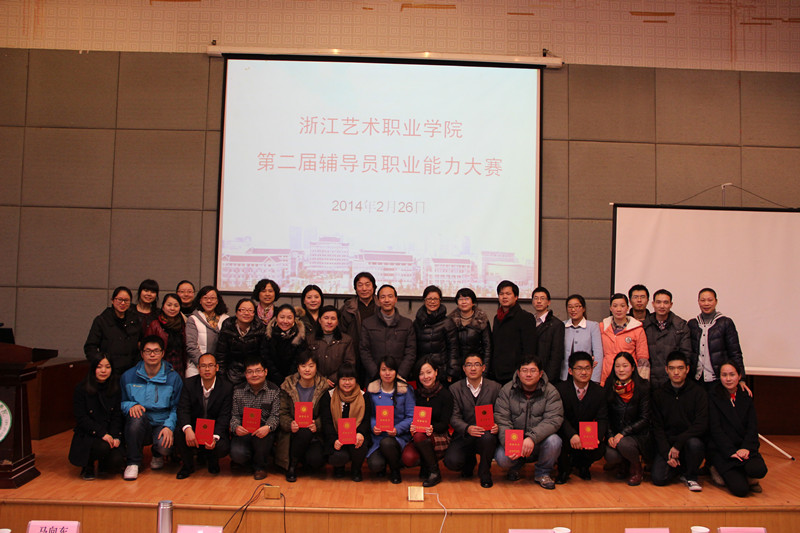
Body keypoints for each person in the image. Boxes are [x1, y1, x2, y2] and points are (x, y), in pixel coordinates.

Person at [495, 355, 563, 490]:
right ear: (518, 373)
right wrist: (511, 444)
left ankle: (543, 473)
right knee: (502, 458)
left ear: (540, 374)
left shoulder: (551, 392)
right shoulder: (507, 390)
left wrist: (532, 438)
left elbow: (554, 419)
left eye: (533, 370)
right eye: (524, 370)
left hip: (538, 441)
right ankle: (515, 467)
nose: (528, 374)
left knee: (554, 441)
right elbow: (502, 419)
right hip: (515, 441)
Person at [120, 335, 184, 481]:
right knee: (135, 419)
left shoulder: (173, 377)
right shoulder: (128, 376)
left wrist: (169, 426)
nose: (152, 355)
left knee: (164, 446)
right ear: (142, 353)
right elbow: (121, 402)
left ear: (162, 353)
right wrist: (131, 405)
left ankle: (157, 453)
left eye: (156, 351)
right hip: (140, 421)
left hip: (162, 421)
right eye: (148, 351)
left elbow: (177, 407)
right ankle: (133, 462)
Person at [708, 360, 767, 497]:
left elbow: (752, 427)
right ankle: (717, 470)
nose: (728, 379)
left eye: (732, 375)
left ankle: (745, 475)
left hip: (743, 448)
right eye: (724, 375)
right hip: (724, 451)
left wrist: (746, 448)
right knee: (740, 490)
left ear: (739, 376)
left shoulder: (746, 395)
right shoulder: (713, 396)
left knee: (758, 470)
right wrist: (731, 451)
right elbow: (715, 430)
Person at [651, 351, 708, 492]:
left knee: (695, 444)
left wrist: (678, 444)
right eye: (672, 368)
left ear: (687, 369)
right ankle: (678, 468)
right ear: (666, 370)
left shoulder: (698, 393)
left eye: (680, 368)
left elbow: (701, 425)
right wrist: (667, 452)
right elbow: (657, 428)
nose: (676, 372)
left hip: (688, 442)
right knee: (658, 479)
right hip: (669, 445)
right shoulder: (659, 394)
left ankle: (691, 476)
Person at [443, 353, 501, 488]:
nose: (473, 368)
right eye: (469, 365)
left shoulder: (495, 387)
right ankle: (469, 462)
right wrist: (467, 428)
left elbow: (500, 412)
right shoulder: (455, 388)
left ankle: (485, 472)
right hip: (464, 434)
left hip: (486, 434)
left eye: (476, 365)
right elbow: (453, 417)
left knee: (488, 438)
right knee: (452, 461)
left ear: (483, 368)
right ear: (464, 369)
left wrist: (497, 424)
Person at [175, 353, 233, 479]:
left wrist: (215, 437)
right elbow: (183, 409)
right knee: (179, 431)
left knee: (222, 446)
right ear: (198, 368)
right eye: (203, 366)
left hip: (214, 429)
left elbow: (224, 416)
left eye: (210, 365)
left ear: (217, 367)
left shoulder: (226, 387)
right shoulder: (189, 384)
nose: (207, 369)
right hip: (194, 427)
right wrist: (188, 428)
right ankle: (187, 466)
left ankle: (212, 460)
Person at [68, 354, 125, 480]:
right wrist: (102, 433)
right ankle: (88, 465)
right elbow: (81, 418)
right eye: (99, 367)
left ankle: (103, 464)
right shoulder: (81, 388)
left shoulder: (115, 387)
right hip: (88, 433)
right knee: (102, 447)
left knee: (116, 461)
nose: (103, 371)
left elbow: (117, 415)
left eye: (107, 367)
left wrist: (115, 436)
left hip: (109, 432)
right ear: (93, 368)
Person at [555, 351, 608, 484]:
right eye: (579, 368)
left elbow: (602, 418)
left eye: (587, 368)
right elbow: (559, 416)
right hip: (566, 433)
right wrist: (572, 434)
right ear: (570, 371)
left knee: (599, 448)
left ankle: (583, 466)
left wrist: (596, 437)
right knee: (558, 441)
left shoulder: (599, 392)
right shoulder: (560, 389)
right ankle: (564, 470)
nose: (584, 372)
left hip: (588, 434)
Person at [401, 357, 454, 487]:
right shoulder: (415, 394)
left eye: (429, 372)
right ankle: (426, 464)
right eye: (421, 374)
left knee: (420, 435)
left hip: (439, 434)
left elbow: (444, 424)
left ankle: (434, 472)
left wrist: (432, 428)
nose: (425, 377)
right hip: (419, 436)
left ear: (436, 372)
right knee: (408, 457)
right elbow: (410, 417)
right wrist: (412, 427)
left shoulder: (445, 395)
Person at [277, 351, 330, 481]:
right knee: (303, 432)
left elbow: (328, 414)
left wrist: (317, 424)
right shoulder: (287, 386)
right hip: (292, 433)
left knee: (316, 460)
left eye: (311, 366)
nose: (307, 370)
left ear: (316, 368)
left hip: (314, 434)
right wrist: (290, 423)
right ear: (298, 368)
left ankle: (301, 460)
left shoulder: (324, 387)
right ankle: (292, 466)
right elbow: (282, 413)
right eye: (303, 366)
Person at [365, 356, 416, 484]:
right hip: (378, 436)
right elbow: (368, 415)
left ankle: (395, 470)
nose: (387, 373)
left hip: (398, 436)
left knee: (387, 443)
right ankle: (385, 463)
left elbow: (411, 416)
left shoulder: (405, 390)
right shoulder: (372, 390)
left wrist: (397, 429)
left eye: (391, 370)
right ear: (379, 372)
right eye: (384, 370)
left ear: (396, 372)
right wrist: (373, 426)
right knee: (375, 465)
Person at [319, 363, 373, 482]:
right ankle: (339, 468)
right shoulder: (329, 396)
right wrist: (334, 439)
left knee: (360, 446)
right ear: (338, 380)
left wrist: (360, 433)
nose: (347, 383)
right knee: (337, 457)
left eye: (350, 379)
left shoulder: (364, 397)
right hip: (336, 438)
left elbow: (366, 420)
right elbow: (327, 422)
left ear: (356, 380)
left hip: (356, 437)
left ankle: (356, 469)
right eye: (343, 379)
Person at [604, 351, 650, 486]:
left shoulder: (643, 387)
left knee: (624, 444)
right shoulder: (609, 386)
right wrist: (610, 435)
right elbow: (605, 415)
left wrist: (623, 433)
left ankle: (636, 468)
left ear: (633, 367)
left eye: (625, 366)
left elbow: (645, 418)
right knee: (610, 455)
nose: (621, 370)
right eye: (617, 366)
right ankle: (623, 464)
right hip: (616, 433)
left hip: (637, 435)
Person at [229, 357, 280, 480]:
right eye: (250, 372)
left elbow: (275, 415)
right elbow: (234, 415)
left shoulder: (274, 390)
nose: (254, 375)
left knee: (263, 442)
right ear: (245, 374)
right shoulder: (238, 391)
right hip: (244, 431)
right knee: (237, 453)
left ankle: (260, 468)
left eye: (258, 371)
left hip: (264, 432)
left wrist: (268, 427)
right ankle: (246, 463)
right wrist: (236, 427)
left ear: (265, 372)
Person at [688, 288, 745, 388]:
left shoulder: (725, 323)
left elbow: (735, 352)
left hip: (718, 379)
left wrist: (741, 379)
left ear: (716, 301)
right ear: (698, 302)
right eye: (703, 300)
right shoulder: (692, 324)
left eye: (710, 300)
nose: (706, 303)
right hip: (696, 379)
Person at [360, 284, 416, 382]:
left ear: (395, 299)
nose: (386, 300)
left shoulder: (407, 324)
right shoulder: (368, 323)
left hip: (399, 378)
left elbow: (411, 352)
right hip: (374, 379)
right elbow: (364, 351)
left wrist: (400, 374)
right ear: (378, 300)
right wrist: (377, 374)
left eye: (390, 296)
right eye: (383, 297)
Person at [642, 289, 693, 388]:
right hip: (649, 380)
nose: (662, 306)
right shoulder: (644, 326)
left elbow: (686, 354)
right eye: (658, 302)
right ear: (653, 304)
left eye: (665, 302)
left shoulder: (681, 326)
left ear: (671, 304)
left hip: (673, 380)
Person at [84, 286, 142, 374]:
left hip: (131, 370)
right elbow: (90, 347)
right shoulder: (102, 320)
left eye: (126, 300)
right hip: (110, 371)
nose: (123, 303)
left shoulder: (134, 319)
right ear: (112, 300)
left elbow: (140, 343)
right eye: (119, 299)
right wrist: (101, 364)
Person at [490, 280, 537, 385]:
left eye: (508, 294)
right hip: (497, 373)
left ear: (516, 297)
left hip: (515, 374)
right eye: (501, 294)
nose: (504, 297)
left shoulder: (525, 317)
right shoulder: (497, 318)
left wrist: (522, 371)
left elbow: (529, 349)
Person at [599, 293, 650, 385]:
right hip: (606, 377)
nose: (618, 309)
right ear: (610, 308)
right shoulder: (602, 327)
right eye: (615, 306)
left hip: (630, 379)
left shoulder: (637, 329)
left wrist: (642, 383)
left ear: (627, 308)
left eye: (622, 306)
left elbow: (643, 358)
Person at [215, 298, 267, 386]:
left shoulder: (260, 328)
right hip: (231, 372)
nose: (246, 313)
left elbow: (263, 355)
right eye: (242, 310)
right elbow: (221, 355)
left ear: (254, 314)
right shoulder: (227, 326)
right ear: (236, 312)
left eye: (250, 310)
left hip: (253, 372)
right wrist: (222, 378)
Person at [413, 285, 458, 382]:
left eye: (435, 299)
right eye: (429, 299)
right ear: (424, 300)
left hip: (442, 370)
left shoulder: (448, 323)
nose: (432, 302)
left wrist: (451, 371)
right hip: (422, 370)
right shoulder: (417, 323)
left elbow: (453, 349)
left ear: (440, 300)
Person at [447, 287, 492, 380]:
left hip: (475, 367)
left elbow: (487, 347)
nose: (463, 302)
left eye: (467, 299)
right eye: (460, 299)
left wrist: (485, 371)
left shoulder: (482, 320)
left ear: (473, 302)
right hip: (457, 368)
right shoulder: (450, 321)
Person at [185, 286, 229, 378]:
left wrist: (216, 366)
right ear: (200, 301)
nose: (209, 301)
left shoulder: (226, 319)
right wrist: (204, 365)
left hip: (220, 369)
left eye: (212, 298)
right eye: (205, 298)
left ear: (217, 301)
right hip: (196, 368)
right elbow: (191, 346)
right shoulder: (193, 319)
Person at [308, 305, 357, 387]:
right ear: (320, 320)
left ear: (337, 322)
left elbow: (349, 363)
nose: (329, 322)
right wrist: (321, 379)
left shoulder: (346, 340)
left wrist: (333, 379)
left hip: (338, 384)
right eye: (326, 318)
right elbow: (306, 362)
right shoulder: (310, 339)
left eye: (333, 319)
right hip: (314, 383)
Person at [561, 294, 603, 383]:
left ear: (583, 308)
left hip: (585, 374)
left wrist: (595, 379)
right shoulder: (561, 326)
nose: (573, 310)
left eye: (577, 306)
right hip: (565, 375)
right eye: (570, 307)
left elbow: (598, 354)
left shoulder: (593, 326)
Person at [144, 293, 187, 378]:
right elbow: (146, 347)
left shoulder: (182, 324)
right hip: (160, 365)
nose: (172, 308)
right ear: (163, 307)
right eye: (169, 305)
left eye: (176, 305)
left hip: (178, 365)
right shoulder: (155, 324)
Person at [265, 303, 308, 385]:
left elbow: (300, 358)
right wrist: (276, 377)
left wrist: (289, 378)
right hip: (271, 379)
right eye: (282, 317)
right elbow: (266, 357)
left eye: (289, 318)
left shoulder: (300, 336)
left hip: (294, 380)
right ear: (276, 318)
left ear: (294, 319)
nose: (285, 321)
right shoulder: (268, 335)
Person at [531, 286, 565, 384]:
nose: (539, 301)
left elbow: (556, 355)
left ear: (548, 302)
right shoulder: (529, 321)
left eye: (542, 298)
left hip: (546, 375)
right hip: (530, 373)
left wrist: (549, 378)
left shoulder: (556, 324)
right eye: (536, 298)